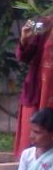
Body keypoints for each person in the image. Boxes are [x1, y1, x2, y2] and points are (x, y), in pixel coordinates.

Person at [14, 17, 53, 159]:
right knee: (33, 137)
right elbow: (25, 56)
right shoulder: (45, 23)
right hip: (38, 90)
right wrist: (24, 39)